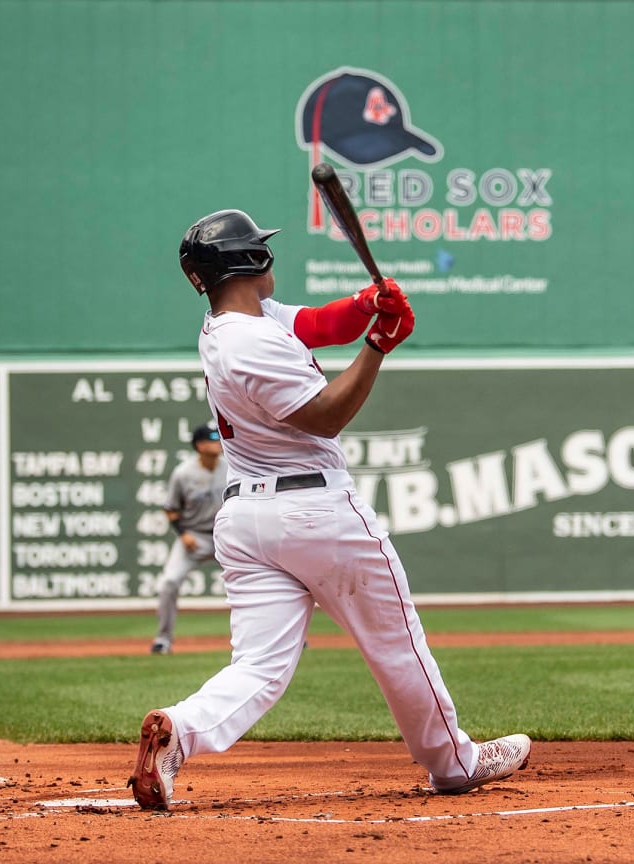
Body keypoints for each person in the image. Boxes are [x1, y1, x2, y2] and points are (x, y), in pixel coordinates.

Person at [129, 209, 530, 811]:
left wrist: (369, 302)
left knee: (259, 666)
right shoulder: (252, 341)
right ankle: (454, 762)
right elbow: (326, 414)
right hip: (314, 510)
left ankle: (179, 730)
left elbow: (316, 323)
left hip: (248, 519)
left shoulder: (232, 323)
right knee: (396, 642)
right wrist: (379, 345)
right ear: (251, 261)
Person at [150, 422, 227, 655]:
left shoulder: (232, 467)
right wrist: (183, 534)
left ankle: (279, 641)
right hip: (194, 537)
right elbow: (171, 509)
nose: (218, 443)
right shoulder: (183, 473)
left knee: (260, 580)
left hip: (225, 536)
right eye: (213, 439)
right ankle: (163, 639)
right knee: (169, 582)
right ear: (199, 445)